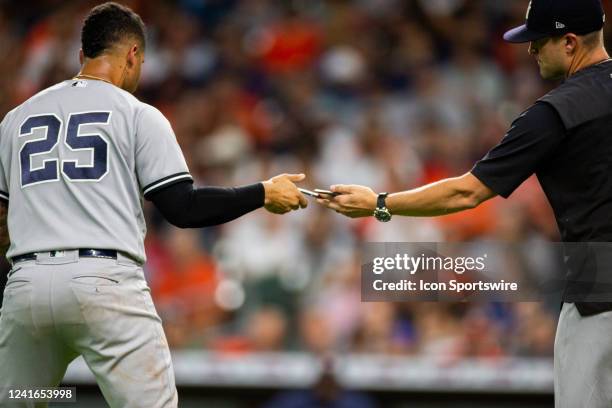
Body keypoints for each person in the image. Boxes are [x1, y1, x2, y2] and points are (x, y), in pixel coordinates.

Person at [0, 2, 307, 407]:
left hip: (27, 288)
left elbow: (2, 219)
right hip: (104, 287)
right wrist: (263, 193)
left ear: (82, 56)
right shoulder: (136, 113)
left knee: (21, 399)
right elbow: (183, 208)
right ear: (133, 55)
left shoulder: (16, 119)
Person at [318, 0, 611, 406]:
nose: (530, 51)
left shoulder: (555, 113)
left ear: (569, 42)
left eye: (539, 41)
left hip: (600, 292)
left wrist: (379, 202)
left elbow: (467, 191)